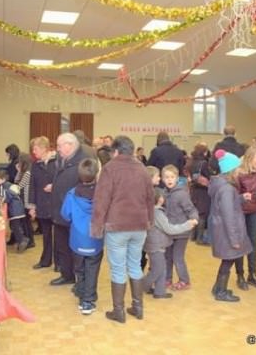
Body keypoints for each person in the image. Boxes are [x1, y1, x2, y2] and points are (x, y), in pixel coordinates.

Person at [91, 135, 154, 323]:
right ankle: (137, 307)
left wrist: (97, 227)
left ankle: (119, 312)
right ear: (132, 150)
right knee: (135, 265)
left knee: (118, 269)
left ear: (115, 151)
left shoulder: (110, 169)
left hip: (117, 226)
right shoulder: (142, 169)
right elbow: (150, 198)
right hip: (140, 226)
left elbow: (101, 201)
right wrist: (149, 221)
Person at [209, 149, 252, 302]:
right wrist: (234, 238)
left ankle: (217, 287)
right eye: (238, 168)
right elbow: (228, 215)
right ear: (231, 170)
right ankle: (220, 292)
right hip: (227, 231)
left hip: (221, 229)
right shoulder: (227, 188)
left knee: (228, 260)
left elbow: (226, 205)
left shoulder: (222, 185)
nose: (240, 170)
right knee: (229, 260)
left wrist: (240, 198)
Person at [61, 158, 103, 315]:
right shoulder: (102, 193)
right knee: (92, 268)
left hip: (77, 239)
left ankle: (81, 295)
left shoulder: (71, 194)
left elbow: (65, 214)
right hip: (95, 238)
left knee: (80, 269)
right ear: (97, 174)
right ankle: (88, 300)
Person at [143, 188, 198, 299]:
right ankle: (142, 286)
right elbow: (169, 229)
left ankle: (160, 292)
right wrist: (187, 225)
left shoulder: (151, 211)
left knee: (162, 268)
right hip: (156, 246)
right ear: (160, 199)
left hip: (156, 245)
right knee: (157, 269)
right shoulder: (157, 213)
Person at [50, 133, 88, 286]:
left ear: (70, 145)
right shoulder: (64, 160)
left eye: (60, 146)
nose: (57, 149)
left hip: (74, 213)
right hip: (60, 211)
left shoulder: (82, 162)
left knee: (75, 247)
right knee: (62, 245)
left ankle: (79, 278)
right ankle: (66, 275)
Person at [235, 145, 256, 290]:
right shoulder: (238, 172)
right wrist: (242, 197)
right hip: (240, 210)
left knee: (253, 241)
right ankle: (240, 275)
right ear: (250, 159)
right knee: (241, 242)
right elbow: (233, 194)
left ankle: (252, 274)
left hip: (255, 208)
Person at [162, 165, 199, 290]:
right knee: (167, 256)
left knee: (178, 257)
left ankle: (184, 280)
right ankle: (167, 279)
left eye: (172, 177)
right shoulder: (164, 193)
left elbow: (191, 209)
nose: (169, 180)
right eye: (166, 177)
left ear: (177, 178)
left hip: (182, 232)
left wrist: (194, 219)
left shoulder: (181, 194)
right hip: (169, 231)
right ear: (162, 179)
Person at [28, 136, 58, 270]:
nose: (33, 152)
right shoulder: (35, 165)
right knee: (46, 234)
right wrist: (32, 206)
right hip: (42, 204)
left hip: (56, 203)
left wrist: (55, 186)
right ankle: (45, 260)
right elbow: (32, 186)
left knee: (59, 236)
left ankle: (60, 263)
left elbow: (65, 181)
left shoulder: (58, 162)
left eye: (35, 149)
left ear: (44, 148)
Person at [0, 171, 30, 253]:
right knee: (16, 226)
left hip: (14, 210)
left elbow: (4, 198)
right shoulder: (9, 184)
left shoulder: (3, 186)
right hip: (19, 208)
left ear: (2, 179)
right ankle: (22, 239)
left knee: (15, 226)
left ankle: (22, 240)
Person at [188, 142, 212, 245]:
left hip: (193, 189)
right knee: (202, 214)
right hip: (203, 191)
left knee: (194, 212)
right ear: (205, 152)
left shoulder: (191, 161)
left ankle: (192, 236)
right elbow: (208, 176)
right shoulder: (204, 163)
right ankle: (199, 238)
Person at [15, 152, 35, 249]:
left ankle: (30, 241)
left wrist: (18, 171)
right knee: (26, 222)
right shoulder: (27, 172)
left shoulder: (27, 173)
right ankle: (30, 240)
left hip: (26, 200)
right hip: (25, 199)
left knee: (26, 222)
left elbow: (19, 185)